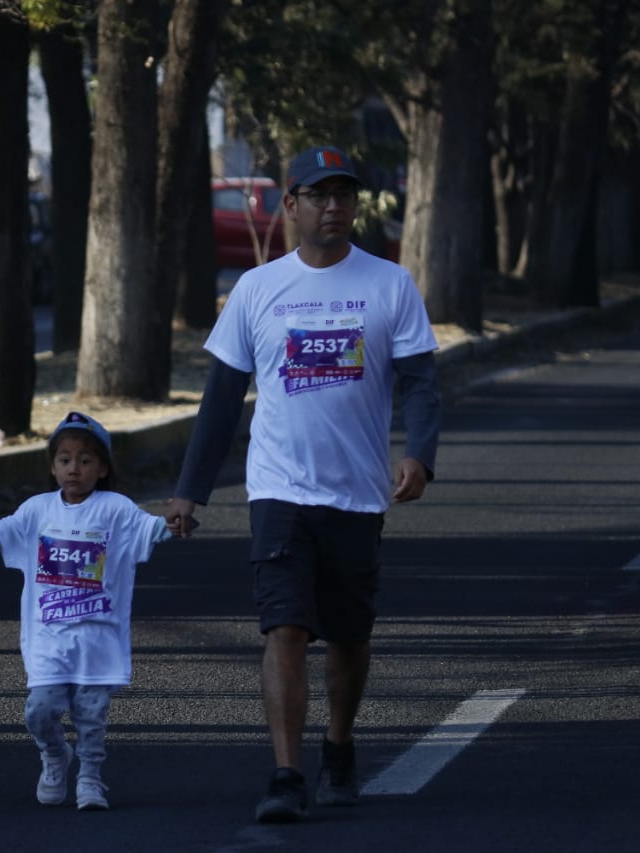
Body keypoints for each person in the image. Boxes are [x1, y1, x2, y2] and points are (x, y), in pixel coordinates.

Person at [165, 144, 442, 822]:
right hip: (279, 492)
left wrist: (420, 455)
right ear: (289, 204)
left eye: (343, 194)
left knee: (348, 635)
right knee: (284, 627)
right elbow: (223, 399)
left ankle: (339, 744)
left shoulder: (388, 284)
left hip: (356, 492)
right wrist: (189, 490)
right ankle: (286, 774)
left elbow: (422, 381)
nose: (333, 206)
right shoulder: (258, 291)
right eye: (318, 194)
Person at [0, 412, 181, 811]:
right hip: (48, 641)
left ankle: (90, 778)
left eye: (86, 460)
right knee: (39, 711)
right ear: (52, 466)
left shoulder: (116, 510)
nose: (75, 468)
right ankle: (55, 755)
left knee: (92, 717)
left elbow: (152, 528)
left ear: (103, 468)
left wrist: (175, 523)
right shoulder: (36, 511)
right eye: (65, 459)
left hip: (98, 640)